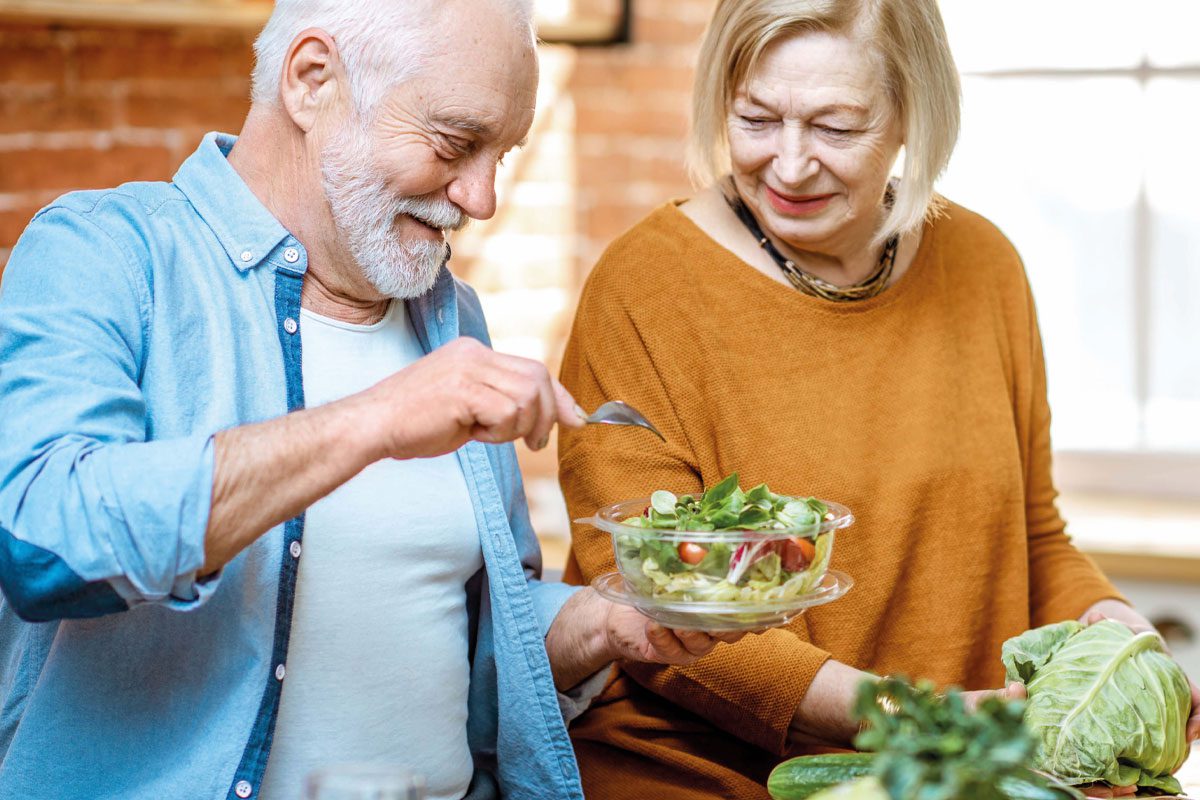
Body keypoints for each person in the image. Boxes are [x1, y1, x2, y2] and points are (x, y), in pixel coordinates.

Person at [0, 1, 743, 798]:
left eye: (504, 153)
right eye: (457, 143)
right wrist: (375, 419)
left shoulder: (451, 316)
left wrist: (605, 625)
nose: (483, 195)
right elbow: (44, 545)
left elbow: (458, 650)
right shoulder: (104, 252)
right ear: (312, 80)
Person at [556, 1, 1200, 798]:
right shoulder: (643, 289)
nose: (789, 166)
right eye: (756, 119)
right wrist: (910, 716)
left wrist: (1121, 636)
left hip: (945, 766)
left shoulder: (985, 267)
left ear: (912, 116)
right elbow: (656, 612)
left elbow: (1032, 536)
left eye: (835, 127)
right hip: (703, 775)